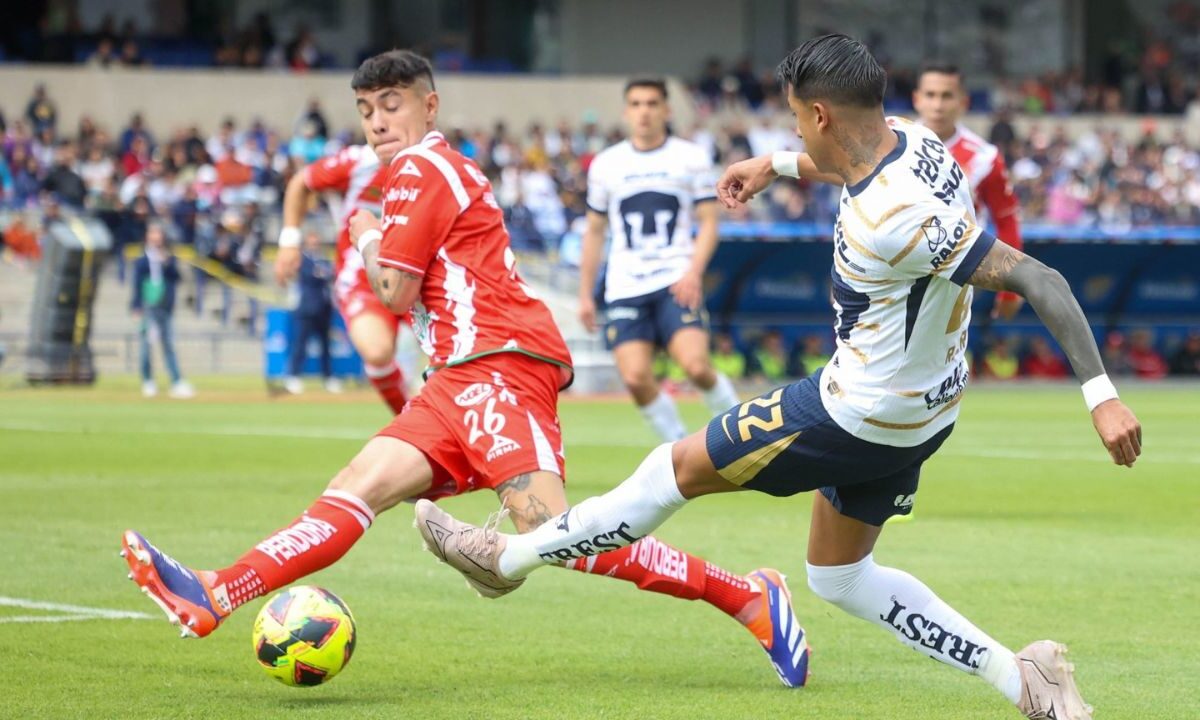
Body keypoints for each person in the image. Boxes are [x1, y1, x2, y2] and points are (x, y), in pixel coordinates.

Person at [421, 36, 1143, 719]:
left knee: (667, 472)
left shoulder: (891, 217)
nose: (796, 132)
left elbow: (1040, 279)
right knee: (838, 576)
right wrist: (776, 165)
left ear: (821, 113)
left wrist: (1102, 398)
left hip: (853, 412)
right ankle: (1023, 677)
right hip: (924, 411)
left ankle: (505, 559)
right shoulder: (917, 141)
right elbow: (852, 159)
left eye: (797, 121)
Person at [121, 50, 810, 689]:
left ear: (430, 106)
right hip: (454, 377)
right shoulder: (414, 175)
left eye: (391, 102)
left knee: (556, 534)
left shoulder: (425, 168)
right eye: (365, 109)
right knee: (357, 487)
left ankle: (746, 595)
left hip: (499, 366)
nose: (377, 120)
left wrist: (361, 236)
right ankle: (217, 593)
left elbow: (392, 293)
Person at [578, 78, 740, 443]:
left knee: (696, 367)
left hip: (674, 279)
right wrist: (586, 293)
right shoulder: (606, 164)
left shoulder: (690, 157)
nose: (644, 111)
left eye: (652, 103)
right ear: (626, 112)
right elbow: (594, 231)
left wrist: (694, 273)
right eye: (636, 104)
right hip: (625, 285)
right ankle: (678, 447)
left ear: (667, 110)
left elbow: (710, 222)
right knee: (635, 378)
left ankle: (741, 434)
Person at [273, 142, 409, 414]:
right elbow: (301, 182)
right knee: (376, 352)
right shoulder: (359, 160)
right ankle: (412, 421)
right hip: (362, 277)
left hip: (420, 277)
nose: (377, 123)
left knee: (453, 364)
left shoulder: (438, 164)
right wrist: (289, 242)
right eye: (367, 113)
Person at [913, 62, 1025, 321]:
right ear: (917, 99)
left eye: (946, 96)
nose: (938, 105)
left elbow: (1006, 222)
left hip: (954, 277)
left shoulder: (985, 157)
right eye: (930, 95)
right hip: (893, 269)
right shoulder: (890, 141)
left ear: (963, 102)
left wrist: (1011, 289)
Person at [131, 222, 194, 399]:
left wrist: (167, 263)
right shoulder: (142, 259)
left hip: (164, 307)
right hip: (148, 306)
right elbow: (136, 284)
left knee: (168, 344)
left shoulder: (168, 257)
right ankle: (148, 380)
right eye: (153, 233)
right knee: (146, 345)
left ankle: (176, 381)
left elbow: (177, 278)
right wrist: (136, 306)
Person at [285, 231, 340, 395]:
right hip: (306, 307)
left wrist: (323, 273)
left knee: (326, 346)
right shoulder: (302, 260)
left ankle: (329, 377)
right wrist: (322, 273)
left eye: (316, 242)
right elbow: (312, 276)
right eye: (312, 243)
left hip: (324, 308)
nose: (314, 246)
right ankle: (293, 376)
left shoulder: (324, 259)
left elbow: (331, 274)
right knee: (300, 343)